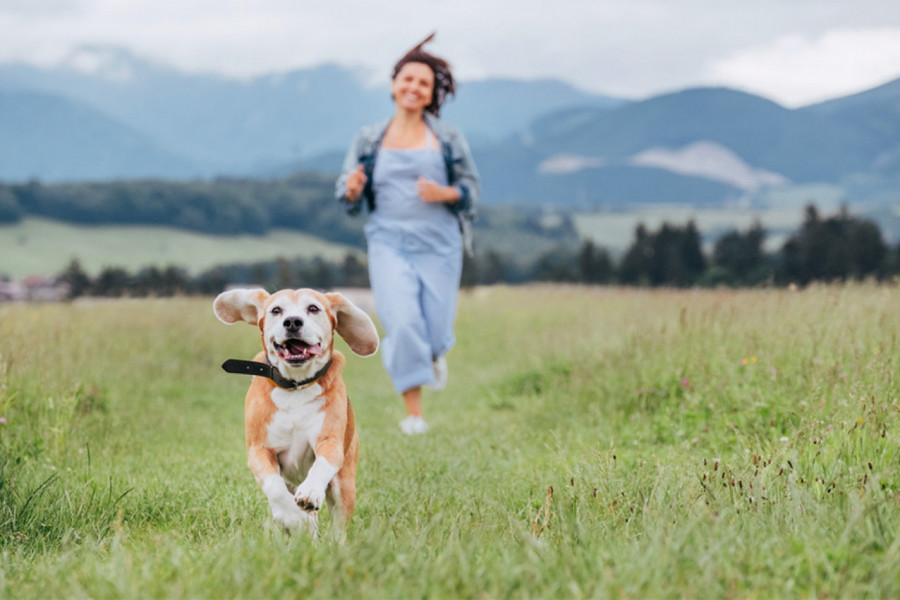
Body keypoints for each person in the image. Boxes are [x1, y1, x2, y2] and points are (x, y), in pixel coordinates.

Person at [335, 33, 480, 435]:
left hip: (440, 245)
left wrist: (445, 193)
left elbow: (471, 190)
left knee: (435, 329)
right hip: (388, 242)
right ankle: (414, 415)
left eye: (423, 83)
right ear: (394, 84)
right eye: (408, 79)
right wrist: (352, 189)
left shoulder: (448, 139)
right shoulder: (368, 139)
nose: (414, 87)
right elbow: (347, 192)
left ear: (432, 93)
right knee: (401, 323)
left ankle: (433, 353)